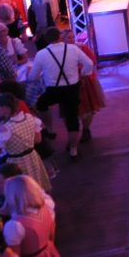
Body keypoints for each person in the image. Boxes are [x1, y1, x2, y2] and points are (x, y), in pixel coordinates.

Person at [30, 27, 93, 160]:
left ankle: (50, 128)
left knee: (41, 103)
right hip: (72, 88)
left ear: (46, 39)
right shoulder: (73, 49)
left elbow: (33, 77)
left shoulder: (41, 54)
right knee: (72, 119)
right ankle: (73, 150)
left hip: (53, 90)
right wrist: (82, 75)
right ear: (59, 36)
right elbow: (89, 64)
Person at [0, 175, 60, 257]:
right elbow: (51, 233)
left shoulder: (14, 225)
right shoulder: (46, 206)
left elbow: (15, 254)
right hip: (49, 252)